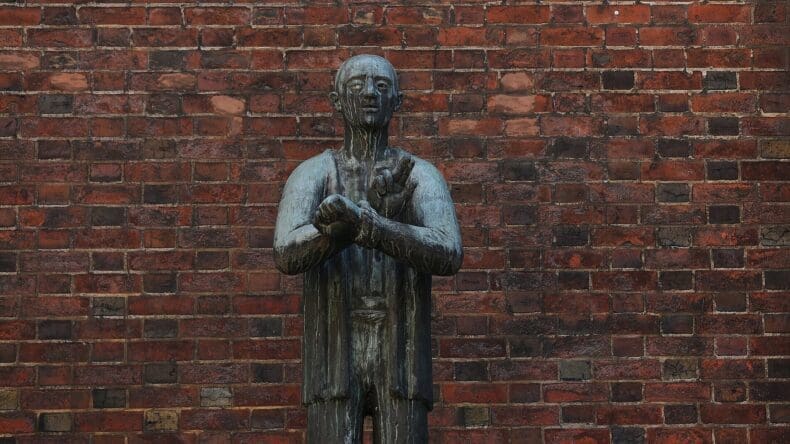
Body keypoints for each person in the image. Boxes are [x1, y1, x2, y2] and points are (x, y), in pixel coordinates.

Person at [273, 54, 462, 444]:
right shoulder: (313, 173)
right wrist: (336, 234)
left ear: (397, 100)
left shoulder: (418, 175)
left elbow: (448, 250)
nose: (370, 93)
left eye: (381, 85)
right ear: (338, 99)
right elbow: (286, 251)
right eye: (357, 85)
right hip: (333, 345)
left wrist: (371, 227)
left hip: (403, 348)